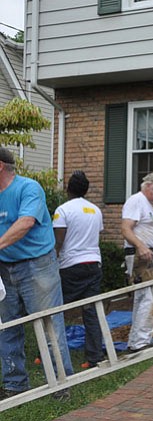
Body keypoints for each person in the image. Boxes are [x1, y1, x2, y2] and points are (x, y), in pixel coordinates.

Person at [0, 148, 74, 399]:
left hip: (37, 266)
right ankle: (14, 386)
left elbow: (26, 222)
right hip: (4, 269)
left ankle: (61, 386)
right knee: (8, 327)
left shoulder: (28, 188)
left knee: (49, 326)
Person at [53, 171, 105, 369]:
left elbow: (59, 241)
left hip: (71, 267)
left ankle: (51, 353)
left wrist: (52, 262)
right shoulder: (95, 210)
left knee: (57, 310)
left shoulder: (63, 210)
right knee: (90, 311)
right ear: (86, 190)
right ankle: (94, 357)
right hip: (93, 265)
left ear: (68, 188)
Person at [121, 172, 153, 352]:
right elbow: (125, 229)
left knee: (144, 297)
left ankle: (136, 341)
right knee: (149, 297)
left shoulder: (145, 204)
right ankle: (140, 343)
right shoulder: (136, 201)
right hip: (142, 256)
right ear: (148, 185)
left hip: (149, 255)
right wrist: (141, 247)